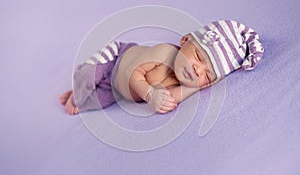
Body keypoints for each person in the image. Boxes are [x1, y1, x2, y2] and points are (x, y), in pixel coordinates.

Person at [59, 20, 264, 115]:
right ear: (185, 40)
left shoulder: (188, 81)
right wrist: (150, 95)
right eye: (198, 56)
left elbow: (170, 99)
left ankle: (79, 94)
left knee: (97, 103)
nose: (197, 70)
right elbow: (133, 74)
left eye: (207, 75)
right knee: (88, 74)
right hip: (116, 59)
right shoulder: (165, 53)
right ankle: (76, 92)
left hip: (118, 90)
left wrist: (196, 86)